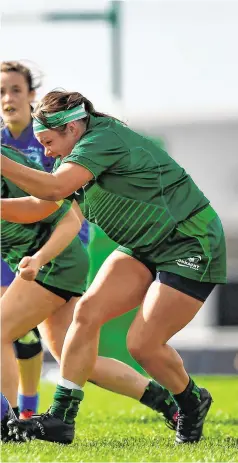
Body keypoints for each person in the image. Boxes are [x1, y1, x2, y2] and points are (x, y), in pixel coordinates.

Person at [2, 90, 226, 445]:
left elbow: (55, 187)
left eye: (48, 142)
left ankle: (190, 400)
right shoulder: (78, 154)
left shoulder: (101, 138)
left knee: (142, 345)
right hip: (144, 245)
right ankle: (61, 418)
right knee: (87, 312)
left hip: (190, 241)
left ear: (72, 127)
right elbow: (40, 206)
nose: (45, 151)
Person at [0, 145, 178, 441]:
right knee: (77, 360)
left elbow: (68, 215)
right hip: (51, 265)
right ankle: (169, 403)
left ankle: (10, 426)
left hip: (54, 262)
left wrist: (41, 258)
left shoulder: (7, 163)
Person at [1, 60, 54, 418]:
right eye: (1, 92)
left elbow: (67, 200)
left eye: (16, 90)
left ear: (32, 96)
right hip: (5, 250)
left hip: (47, 250)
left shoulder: (48, 139)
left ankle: (28, 407)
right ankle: (13, 411)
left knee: (31, 336)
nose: (8, 98)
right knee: (5, 328)